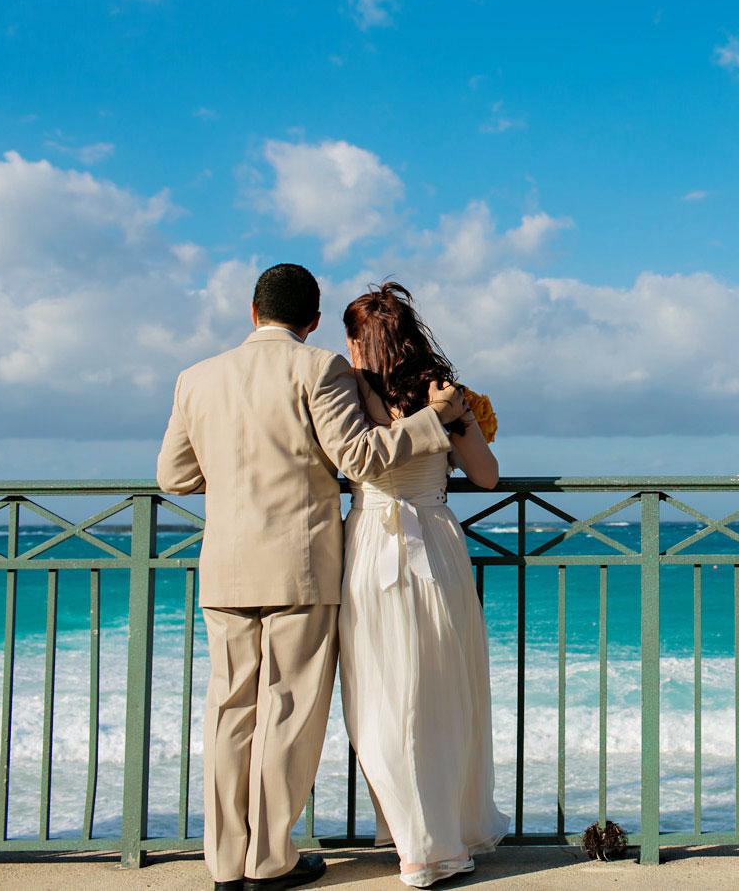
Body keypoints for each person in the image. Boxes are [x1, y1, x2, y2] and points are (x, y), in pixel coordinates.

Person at [157, 264, 468, 891]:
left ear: (252, 311)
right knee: (288, 714)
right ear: (314, 320)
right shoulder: (318, 368)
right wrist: (434, 423)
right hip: (299, 564)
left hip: (224, 567)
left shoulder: (196, 378)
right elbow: (358, 455)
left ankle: (223, 863)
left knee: (229, 715)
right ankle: (269, 860)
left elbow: (174, 477)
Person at [338, 282, 509, 888]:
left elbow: (357, 461)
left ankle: (418, 845)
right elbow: (487, 477)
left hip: (376, 542)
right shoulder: (441, 391)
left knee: (385, 700)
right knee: (439, 692)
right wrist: (453, 414)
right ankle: (438, 841)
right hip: (436, 541)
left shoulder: (345, 389)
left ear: (365, 338)